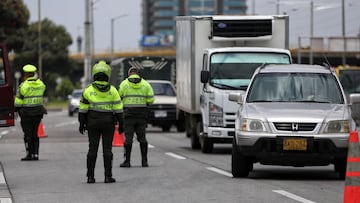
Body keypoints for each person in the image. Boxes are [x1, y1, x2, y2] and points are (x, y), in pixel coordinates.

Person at [78, 61, 123, 184]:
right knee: (107, 151)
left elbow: (82, 110)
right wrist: (121, 125)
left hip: (92, 123)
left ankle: (90, 177)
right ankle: (108, 177)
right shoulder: (113, 90)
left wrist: (81, 124)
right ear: (108, 74)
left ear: (94, 74)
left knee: (92, 150)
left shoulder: (88, 90)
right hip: (108, 123)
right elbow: (119, 110)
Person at [118, 67, 154, 168]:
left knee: (128, 139)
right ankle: (144, 161)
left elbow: (118, 98)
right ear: (138, 74)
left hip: (128, 116)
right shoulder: (146, 84)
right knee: (142, 138)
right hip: (141, 115)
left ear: (129, 74)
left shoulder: (124, 84)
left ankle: (127, 161)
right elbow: (151, 100)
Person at [14, 64, 47, 161]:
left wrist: (15, 110)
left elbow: (18, 101)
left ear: (26, 75)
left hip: (26, 114)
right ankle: (36, 154)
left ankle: (29, 154)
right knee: (35, 134)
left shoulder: (23, 86)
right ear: (33, 74)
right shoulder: (41, 84)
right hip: (38, 113)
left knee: (27, 135)